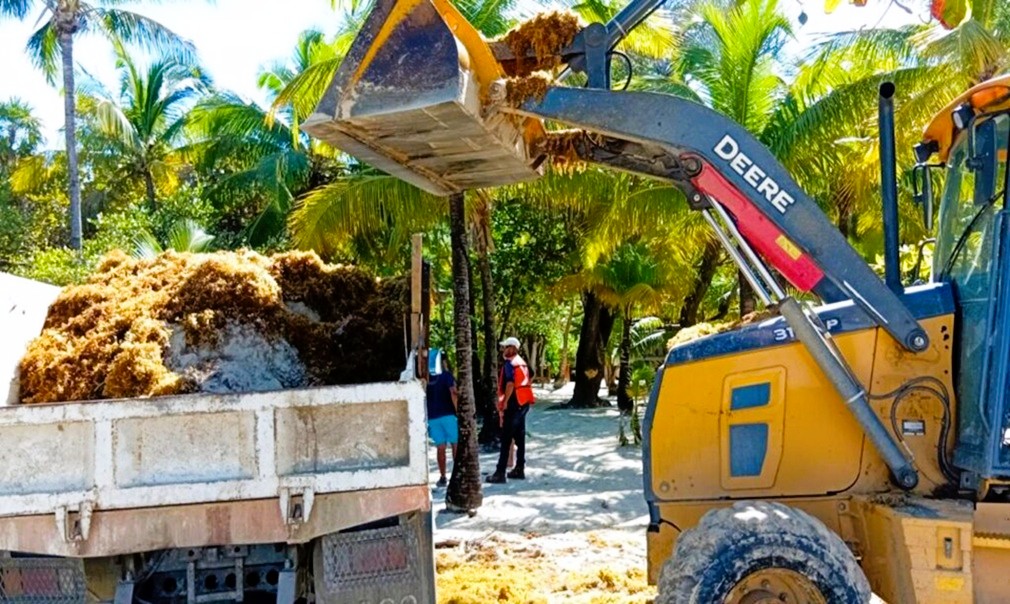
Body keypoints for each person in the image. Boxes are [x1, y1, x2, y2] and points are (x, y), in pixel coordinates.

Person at [487, 336, 535, 483]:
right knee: (520, 437)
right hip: (523, 403)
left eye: (507, 347)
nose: (504, 349)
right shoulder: (522, 363)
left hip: (514, 403)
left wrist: (505, 402)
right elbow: (530, 376)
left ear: (513, 348)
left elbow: (510, 384)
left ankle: (500, 472)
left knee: (506, 438)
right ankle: (519, 469)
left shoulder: (510, 364)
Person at [426, 353, 458, 487]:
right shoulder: (446, 376)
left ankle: (443, 476)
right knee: (455, 444)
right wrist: (458, 411)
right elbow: (453, 393)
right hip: (449, 415)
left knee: (441, 447)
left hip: (432, 417)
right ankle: (456, 474)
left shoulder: (426, 379)